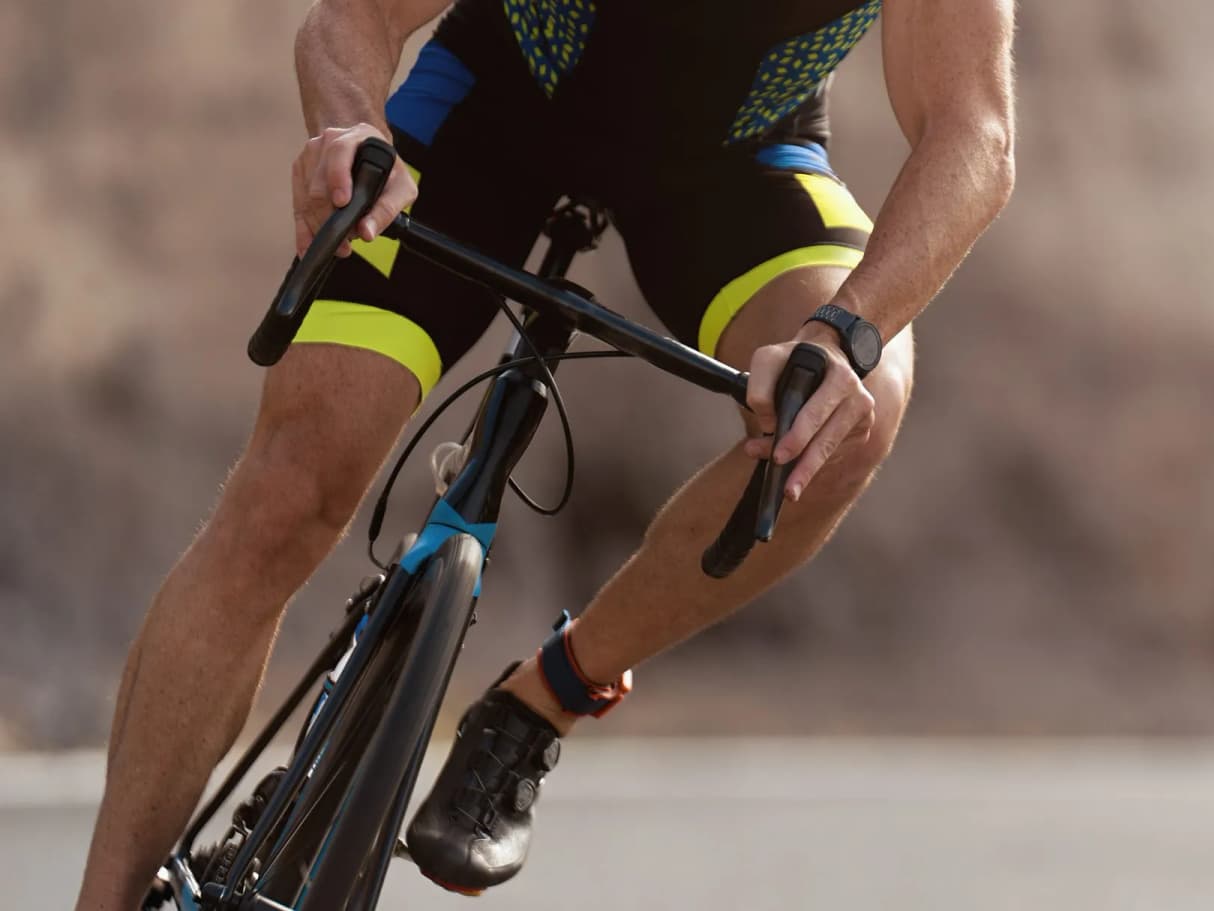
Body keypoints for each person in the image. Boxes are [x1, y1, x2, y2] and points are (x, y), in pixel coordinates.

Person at [73, 0, 1014, 903]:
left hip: (738, 162)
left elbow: (973, 130)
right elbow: (352, 14)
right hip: (492, 108)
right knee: (288, 490)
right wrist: (350, 130)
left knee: (852, 412)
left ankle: (545, 699)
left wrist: (846, 331)